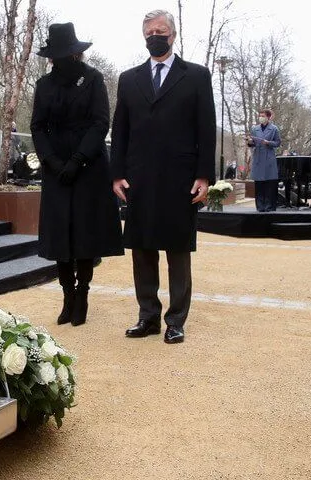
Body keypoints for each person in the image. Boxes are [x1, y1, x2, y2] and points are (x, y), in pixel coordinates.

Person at [111, 9, 216, 344]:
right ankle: (148, 317)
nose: (154, 36)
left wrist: (204, 175)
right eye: (149, 32)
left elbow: (206, 129)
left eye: (160, 31)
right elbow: (120, 130)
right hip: (139, 177)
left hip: (180, 177)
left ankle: (176, 320)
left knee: (177, 249)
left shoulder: (197, 76)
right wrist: (116, 175)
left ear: (172, 35)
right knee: (141, 249)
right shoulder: (128, 79)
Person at [31, 22, 124, 327]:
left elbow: (100, 123)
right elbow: (37, 126)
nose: (59, 60)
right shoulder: (44, 85)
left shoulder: (93, 79)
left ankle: (82, 294)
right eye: (54, 56)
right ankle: (67, 295)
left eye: (64, 54)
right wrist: (53, 161)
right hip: (55, 166)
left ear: (75, 54)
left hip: (89, 164)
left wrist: (78, 160)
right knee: (61, 234)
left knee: (84, 233)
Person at [246, 109, 281, 212]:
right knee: (259, 185)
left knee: (269, 185)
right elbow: (252, 144)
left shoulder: (274, 129)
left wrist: (268, 143)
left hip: (269, 158)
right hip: (258, 158)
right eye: (260, 115)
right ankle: (260, 207)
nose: (261, 117)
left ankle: (269, 207)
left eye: (263, 116)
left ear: (268, 117)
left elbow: (278, 143)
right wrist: (250, 142)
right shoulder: (255, 129)